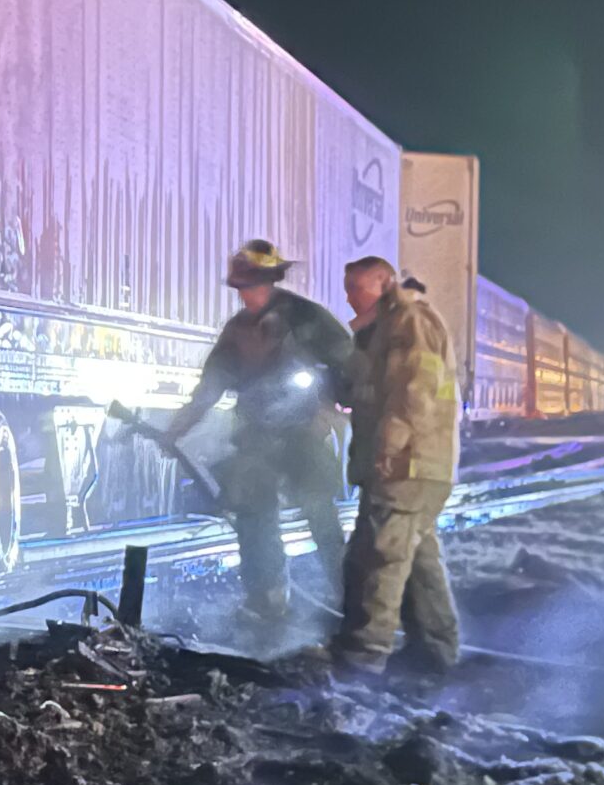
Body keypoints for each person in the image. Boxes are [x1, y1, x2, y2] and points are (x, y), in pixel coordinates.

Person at [166, 240, 355, 629]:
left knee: (320, 514)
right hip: (257, 436)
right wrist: (179, 427)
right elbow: (211, 384)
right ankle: (267, 599)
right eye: (241, 288)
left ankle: (350, 598)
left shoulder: (306, 319)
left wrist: (333, 408)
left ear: (270, 281)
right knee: (254, 516)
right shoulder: (238, 331)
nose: (247, 295)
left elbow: (346, 360)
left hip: (304, 432)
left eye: (252, 286)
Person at [332, 256, 462, 674]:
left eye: (358, 287)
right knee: (417, 557)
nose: (350, 296)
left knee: (378, 558)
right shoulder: (380, 330)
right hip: (412, 466)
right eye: (348, 287)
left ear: (384, 283)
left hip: (408, 464)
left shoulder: (409, 321)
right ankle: (435, 651)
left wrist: (389, 448)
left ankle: (363, 658)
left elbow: (414, 390)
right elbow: (367, 389)